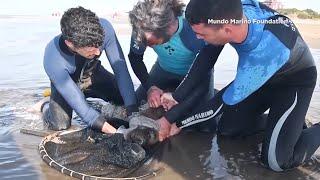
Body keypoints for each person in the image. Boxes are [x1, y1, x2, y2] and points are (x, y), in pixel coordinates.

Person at [160, 0, 320, 172]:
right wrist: (176, 96)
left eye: (201, 34)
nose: (198, 38)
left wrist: (176, 123)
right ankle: (291, 124)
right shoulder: (230, 12)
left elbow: (217, 105)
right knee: (228, 130)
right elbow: (206, 57)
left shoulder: (265, 51)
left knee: (277, 162)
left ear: (227, 30)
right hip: (260, 80)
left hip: (293, 83)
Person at [42, 7, 138, 134]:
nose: (98, 52)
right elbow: (88, 115)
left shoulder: (105, 28)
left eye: (99, 46)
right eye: (91, 49)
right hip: (67, 85)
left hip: (92, 74)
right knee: (61, 125)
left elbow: (121, 71)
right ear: (70, 44)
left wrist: (133, 112)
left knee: (125, 99)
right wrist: (118, 133)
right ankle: (45, 106)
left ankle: (87, 96)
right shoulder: (53, 60)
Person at [128, 0, 218, 134]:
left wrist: (174, 107)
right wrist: (150, 87)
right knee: (135, 106)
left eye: (149, 42)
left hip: (196, 73)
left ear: (168, 27)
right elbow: (135, 58)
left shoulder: (194, 28)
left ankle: (213, 93)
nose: (145, 45)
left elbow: (202, 76)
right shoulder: (142, 27)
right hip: (163, 69)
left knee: (205, 127)